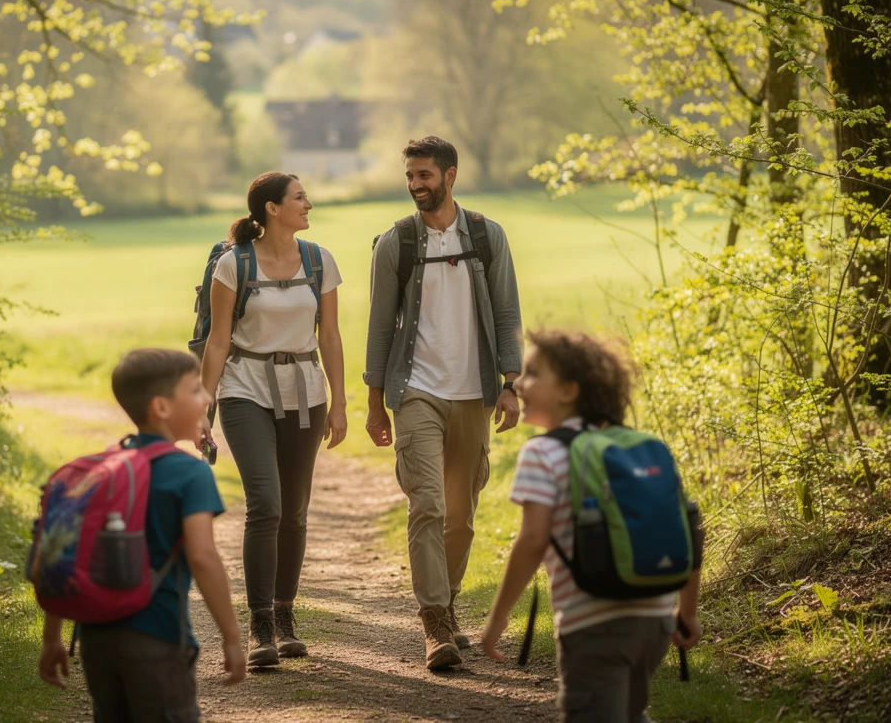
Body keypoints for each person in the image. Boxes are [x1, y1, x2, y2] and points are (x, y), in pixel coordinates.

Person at [478, 329, 702, 723]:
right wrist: (688, 612)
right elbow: (688, 526)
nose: (520, 384)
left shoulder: (542, 453)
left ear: (568, 391)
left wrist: (498, 618)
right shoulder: (639, 445)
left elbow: (532, 540)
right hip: (655, 619)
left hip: (592, 623)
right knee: (632, 714)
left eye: (531, 374)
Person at [363, 136, 523, 669]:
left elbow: (506, 312)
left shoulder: (485, 236)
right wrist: (373, 402)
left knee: (462, 516)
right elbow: (380, 325)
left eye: (424, 176)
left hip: (474, 390)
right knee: (426, 504)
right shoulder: (397, 243)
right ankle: (434, 622)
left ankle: (448, 605)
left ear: (450, 175)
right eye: (410, 176)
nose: (415, 186)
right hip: (416, 391)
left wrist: (510, 382)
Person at [37, 348, 246, 720]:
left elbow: (60, 550)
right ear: (162, 408)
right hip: (159, 638)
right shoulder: (190, 473)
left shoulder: (102, 469)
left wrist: (53, 637)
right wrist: (231, 637)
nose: (208, 397)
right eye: (195, 389)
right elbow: (202, 557)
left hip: (96, 640)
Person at [200, 172, 347, 667]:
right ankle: (260, 625)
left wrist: (341, 401)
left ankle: (285, 618)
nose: (310, 203)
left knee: (295, 510)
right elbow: (219, 340)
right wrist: (205, 406)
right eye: (300, 197)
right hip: (246, 389)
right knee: (266, 502)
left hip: (306, 391)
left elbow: (329, 335)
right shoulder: (231, 265)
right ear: (272, 209)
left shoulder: (318, 260)